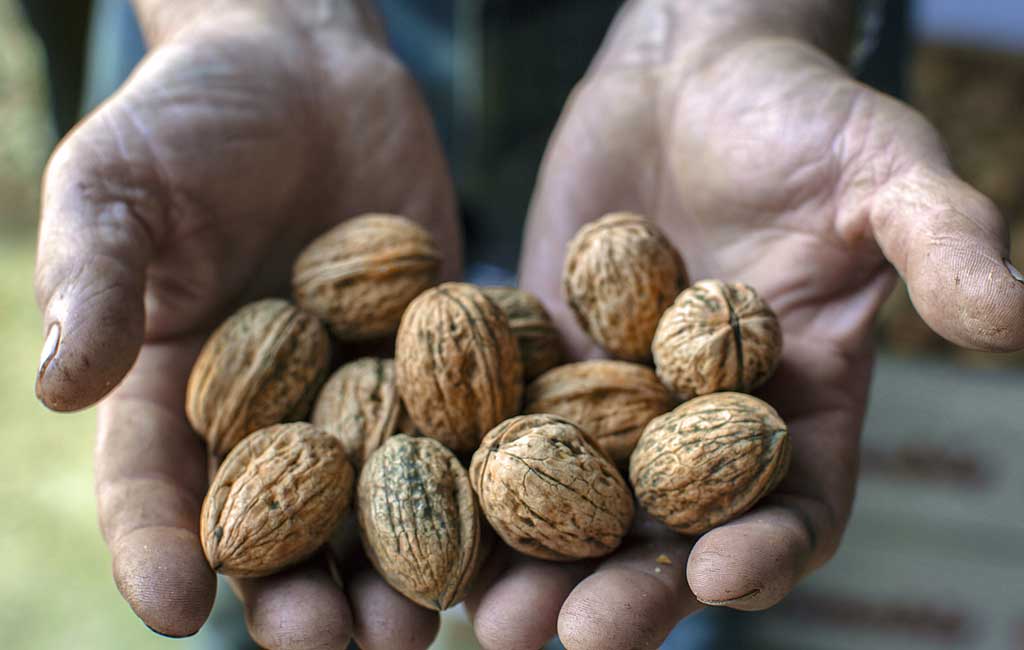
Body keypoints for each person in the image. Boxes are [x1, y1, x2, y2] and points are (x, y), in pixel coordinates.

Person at [31, 1, 1024, 649]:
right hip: (294, 60)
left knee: (680, 581)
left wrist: (748, 24)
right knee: (253, 582)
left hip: (687, 63)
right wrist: (245, 21)